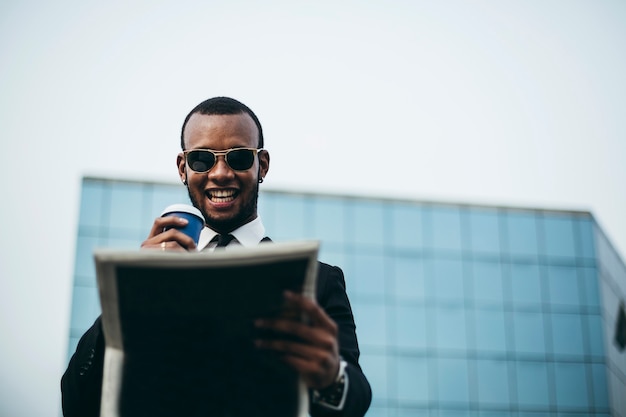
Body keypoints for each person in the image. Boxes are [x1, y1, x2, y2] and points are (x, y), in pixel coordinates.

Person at [61, 96, 372, 416]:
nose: (220, 173)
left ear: (261, 165)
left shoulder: (318, 280)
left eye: (238, 157)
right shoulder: (147, 284)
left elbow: (356, 398)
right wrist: (128, 297)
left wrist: (331, 376)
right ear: (183, 168)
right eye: (201, 159)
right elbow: (75, 402)